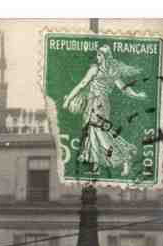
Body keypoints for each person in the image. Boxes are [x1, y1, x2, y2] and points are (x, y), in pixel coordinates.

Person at [63, 45, 147, 177]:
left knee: (102, 135)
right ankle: (96, 167)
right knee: (93, 134)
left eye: (99, 55)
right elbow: (124, 88)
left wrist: (68, 100)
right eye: (97, 55)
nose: (97, 57)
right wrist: (136, 95)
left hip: (97, 104)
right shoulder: (112, 71)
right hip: (101, 103)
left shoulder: (95, 69)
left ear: (104, 56)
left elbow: (82, 84)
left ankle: (125, 158)